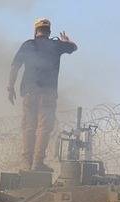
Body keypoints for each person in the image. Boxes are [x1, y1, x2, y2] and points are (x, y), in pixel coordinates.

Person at [8, 19, 77, 171]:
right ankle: (37, 163)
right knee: (44, 128)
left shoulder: (28, 44)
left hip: (29, 91)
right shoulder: (56, 45)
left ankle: (26, 162)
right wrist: (66, 41)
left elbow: (15, 66)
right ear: (49, 32)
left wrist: (10, 86)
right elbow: (74, 48)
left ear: (35, 31)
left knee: (28, 127)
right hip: (47, 93)